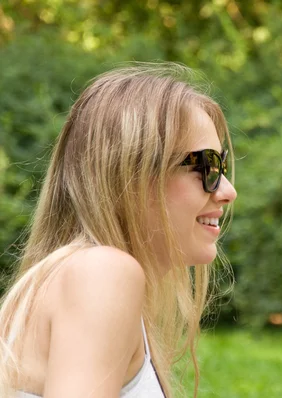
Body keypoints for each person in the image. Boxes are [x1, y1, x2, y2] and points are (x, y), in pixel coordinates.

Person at [0, 63, 237, 397]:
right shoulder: (102, 273)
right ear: (134, 173)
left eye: (222, 167)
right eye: (208, 166)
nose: (227, 190)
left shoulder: (75, 274)